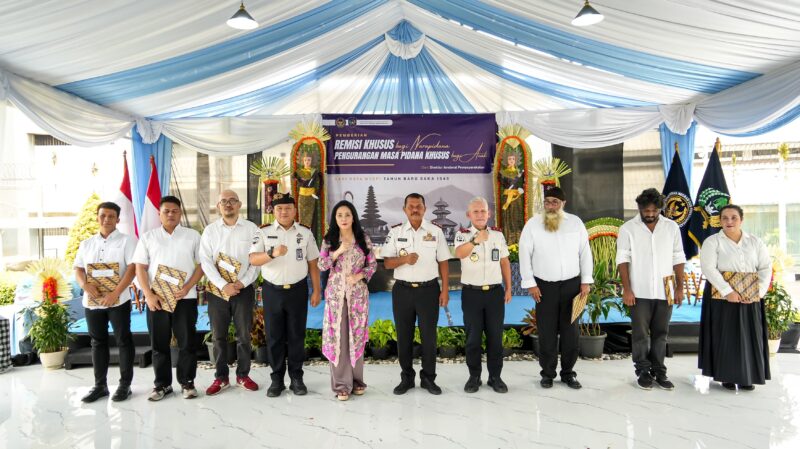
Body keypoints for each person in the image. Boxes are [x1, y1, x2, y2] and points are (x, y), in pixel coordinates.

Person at [518, 186, 593, 390]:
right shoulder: (533, 224)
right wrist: (530, 284)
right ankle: (547, 373)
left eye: (555, 202)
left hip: (572, 286)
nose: (551, 206)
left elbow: (585, 252)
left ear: (563, 204)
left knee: (571, 333)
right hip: (544, 287)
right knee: (546, 332)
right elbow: (524, 254)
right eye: (548, 202)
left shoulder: (575, 223)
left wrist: (586, 281)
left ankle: (568, 373)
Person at [249, 193, 321, 398]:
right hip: (272, 291)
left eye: (288, 208)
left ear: (295, 210)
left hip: (298, 290)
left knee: (297, 335)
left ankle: (297, 378)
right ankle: (277, 379)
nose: (284, 212)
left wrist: (316, 290)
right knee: (274, 337)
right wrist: (272, 253)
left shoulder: (305, 233)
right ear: (273, 211)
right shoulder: (263, 232)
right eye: (279, 209)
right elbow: (253, 259)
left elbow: (313, 264)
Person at [133, 196, 204, 401]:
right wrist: (148, 294)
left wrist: (188, 287)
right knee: (159, 344)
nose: (170, 214)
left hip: (185, 298)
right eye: (166, 211)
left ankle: (187, 382)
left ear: (180, 213)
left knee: (187, 343)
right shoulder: (148, 237)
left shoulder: (192, 236)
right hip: (157, 299)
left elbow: (201, 266)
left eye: (174, 211)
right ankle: (162, 385)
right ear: (159, 214)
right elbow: (140, 267)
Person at [616, 188, 686, 390]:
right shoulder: (628, 228)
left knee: (661, 333)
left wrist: (680, 288)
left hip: (667, 289)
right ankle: (643, 371)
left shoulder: (671, 227)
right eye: (646, 210)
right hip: (639, 290)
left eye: (654, 211)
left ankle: (659, 371)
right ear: (639, 208)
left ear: (660, 209)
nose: (650, 214)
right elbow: (622, 261)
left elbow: (678, 258)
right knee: (640, 334)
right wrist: (627, 290)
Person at [699, 204, 772, 391]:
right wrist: (727, 291)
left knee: (750, 336)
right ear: (720, 220)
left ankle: (748, 376)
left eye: (733, 218)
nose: (729, 221)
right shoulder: (712, 242)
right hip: (722, 297)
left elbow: (765, 268)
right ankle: (727, 376)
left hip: (751, 296)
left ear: (741, 220)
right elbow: (709, 268)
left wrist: (758, 293)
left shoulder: (755, 242)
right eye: (725, 218)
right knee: (726, 337)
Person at [383, 193, 450, 395]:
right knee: (404, 336)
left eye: (418, 206)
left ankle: (429, 378)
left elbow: (444, 262)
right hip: (402, 290)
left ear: (424, 208)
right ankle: (407, 378)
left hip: (429, 290)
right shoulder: (395, 232)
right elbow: (386, 263)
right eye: (411, 206)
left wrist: (445, 289)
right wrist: (404, 260)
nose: (415, 209)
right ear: (404, 209)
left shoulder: (435, 231)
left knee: (429, 337)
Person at [73, 201, 137, 403]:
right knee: (97, 342)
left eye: (111, 216)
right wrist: (84, 285)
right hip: (93, 302)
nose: (107, 219)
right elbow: (78, 268)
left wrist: (115, 293)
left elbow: (132, 269)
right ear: (97, 217)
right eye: (103, 215)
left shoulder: (128, 241)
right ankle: (100, 386)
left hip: (119, 301)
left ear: (118, 219)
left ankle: (125, 385)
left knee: (123, 340)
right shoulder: (86, 244)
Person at [200, 190, 260, 396]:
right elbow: (205, 262)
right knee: (218, 336)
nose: (228, 204)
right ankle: (221, 377)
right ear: (218, 206)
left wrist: (242, 283)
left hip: (243, 290)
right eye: (224, 201)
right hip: (218, 291)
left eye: (232, 201)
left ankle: (243, 374)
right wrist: (222, 284)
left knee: (244, 335)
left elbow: (256, 261)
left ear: (239, 204)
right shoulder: (210, 231)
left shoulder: (252, 229)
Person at [317, 200, 377, 401]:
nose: (343, 218)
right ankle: (341, 384)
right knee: (339, 337)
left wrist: (360, 276)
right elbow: (322, 264)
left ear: (353, 217)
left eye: (347, 214)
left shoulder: (363, 238)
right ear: (335, 218)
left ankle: (358, 381)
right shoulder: (329, 240)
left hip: (358, 295)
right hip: (336, 295)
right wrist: (338, 251)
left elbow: (373, 264)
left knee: (357, 335)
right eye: (339, 215)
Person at [454, 197, 512, 394]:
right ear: (469, 215)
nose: (479, 215)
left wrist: (509, 287)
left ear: (489, 214)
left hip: (495, 293)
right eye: (475, 211)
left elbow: (504, 261)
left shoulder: (497, 235)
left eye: (483, 211)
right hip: (472, 294)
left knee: (495, 337)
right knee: (473, 338)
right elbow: (460, 254)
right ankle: (474, 377)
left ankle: (495, 377)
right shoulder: (462, 235)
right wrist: (475, 240)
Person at [498, 151, 525, 244]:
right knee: (508, 218)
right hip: (507, 198)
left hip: (517, 198)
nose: (511, 160)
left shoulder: (520, 173)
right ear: (506, 160)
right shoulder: (502, 173)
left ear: (516, 160)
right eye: (509, 159)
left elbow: (522, 184)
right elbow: (503, 184)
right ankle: (508, 240)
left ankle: (519, 241)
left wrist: (521, 190)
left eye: (513, 159)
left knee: (517, 217)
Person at [294, 151, 322, 235]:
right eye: (305, 160)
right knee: (302, 217)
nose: (307, 162)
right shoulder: (298, 171)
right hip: (302, 196)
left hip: (311, 195)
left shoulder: (315, 172)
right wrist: (299, 180)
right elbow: (295, 178)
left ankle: (309, 235)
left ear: (312, 161)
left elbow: (321, 182)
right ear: (303, 161)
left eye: (309, 160)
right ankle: (302, 233)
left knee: (311, 217)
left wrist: (318, 193)